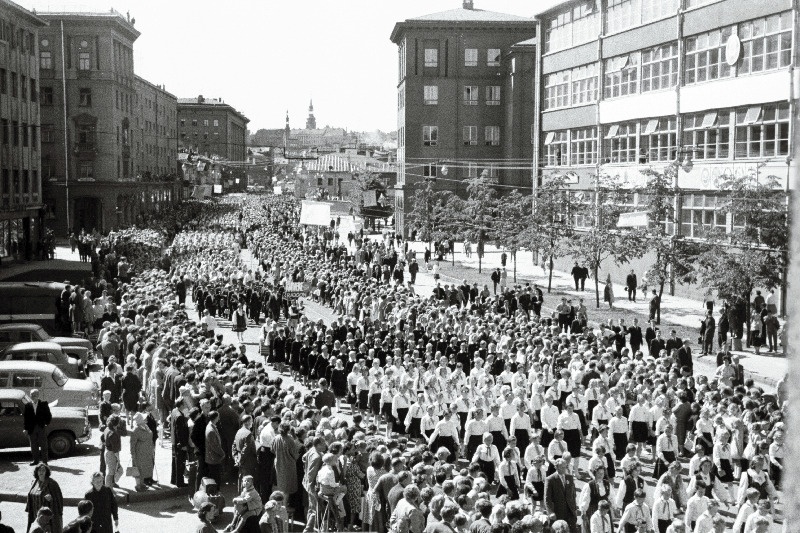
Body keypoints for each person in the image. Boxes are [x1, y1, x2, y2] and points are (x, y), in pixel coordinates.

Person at [26, 464, 63, 533]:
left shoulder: (52, 483)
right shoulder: (34, 482)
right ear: (36, 472)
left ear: (46, 472)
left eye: (43, 470)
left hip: (47, 516)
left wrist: (51, 499)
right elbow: (30, 496)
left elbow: (58, 500)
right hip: (35, 513)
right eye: (39, 470)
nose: (41, 472)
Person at [545, 458, 577, 533]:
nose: (564, 469)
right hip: (558, 512)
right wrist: (550, 512)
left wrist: (574, 509)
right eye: (562, 467)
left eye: (565, 467)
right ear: (556, 467)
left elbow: (573, 494)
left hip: (570, 512)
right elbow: (547, 498)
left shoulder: (570, 478)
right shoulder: (550, 479)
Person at [23, 389, 52, 466]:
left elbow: (48, 415)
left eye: (34, 395)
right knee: (33, 445)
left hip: (41, 427)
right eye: (31, 395)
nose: (33, 396)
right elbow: (26, 418)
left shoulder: (44, 404)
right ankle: (35, 461)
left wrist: (46, 423)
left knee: (43, 445)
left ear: (38, 395)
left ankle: (45, 461)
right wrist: (25, 428)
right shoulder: (27, 405)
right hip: (31, 428)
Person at [130, 412, 156, 491]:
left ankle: (142, 484)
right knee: (138, 469)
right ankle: (138, 486)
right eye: (144, 418)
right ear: (140, 420)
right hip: (139, 453)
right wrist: (133, 455)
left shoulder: (145, 426)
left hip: (147, 452)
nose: (146, 419)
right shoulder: (136, 430)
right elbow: (132, 444)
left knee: (144, 469)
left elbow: (150, 435)